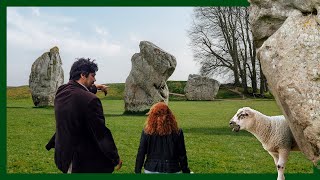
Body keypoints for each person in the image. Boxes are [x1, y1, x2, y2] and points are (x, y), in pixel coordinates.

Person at [46, 58, 122, 173]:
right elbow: (101, 134)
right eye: (93, 75)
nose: (95, 79)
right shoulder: (91, 100)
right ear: (83, 75)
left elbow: (80, 91)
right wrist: (115, 157)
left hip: (64, 157)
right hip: (81, 162)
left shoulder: (61, 91)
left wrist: (97, 87)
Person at [134, 102, 191, 174]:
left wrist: (137, 170)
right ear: (170, 115)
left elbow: (141, 152)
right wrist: (185, 170)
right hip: (172, 169)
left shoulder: (147, 131)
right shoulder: (177, 132)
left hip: (151, 168)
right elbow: (182, 154)